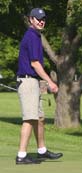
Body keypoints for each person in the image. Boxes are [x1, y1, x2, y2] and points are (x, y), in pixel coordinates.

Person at [15, 8, 63, 164]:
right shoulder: (32, 36)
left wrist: (42, 83)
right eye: (37, 19)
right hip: (28, 81)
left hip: (33, 81)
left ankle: (41, 151)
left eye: (43, 19)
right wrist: (50, 81)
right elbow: (34, 63)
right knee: (30, 119)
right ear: (31, 20)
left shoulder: (37, 36)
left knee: (39, 118)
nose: (41, 21)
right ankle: (21, 155)